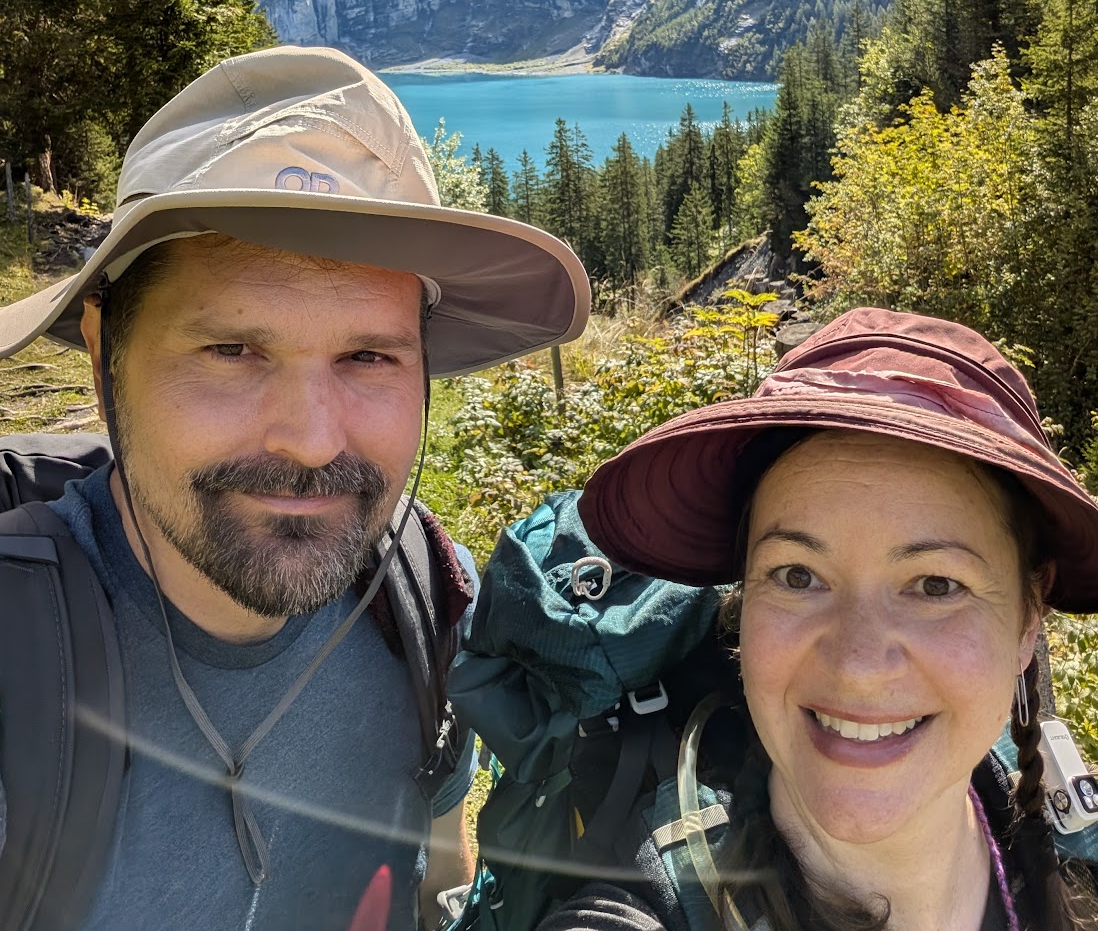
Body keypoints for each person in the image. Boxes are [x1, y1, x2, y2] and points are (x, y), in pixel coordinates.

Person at [0, 45, 590, 931]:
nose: (313, 441)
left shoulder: (426, 597)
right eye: (233, 350)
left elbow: (437, 877)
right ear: (103, 351)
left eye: (368, 356)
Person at [550, 307, 1098, 931]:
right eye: (798, 576)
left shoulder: (1071, 847)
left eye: (936, 585)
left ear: (1031, 618)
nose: (858, 666)